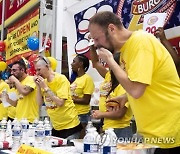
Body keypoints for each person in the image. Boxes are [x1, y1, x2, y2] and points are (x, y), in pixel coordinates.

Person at [88, 11, 180, 152]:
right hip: (152, 132)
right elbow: (144, 83)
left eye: (96, 39)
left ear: (111, 29)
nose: (96, 45)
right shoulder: (126, 50)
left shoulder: (141, 42)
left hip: (168, 129)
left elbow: (136, 90)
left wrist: (110, 61)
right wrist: (124, 97)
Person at [34, 56, 82, 140]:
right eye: (36, 70)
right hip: (56, 126)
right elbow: (39, 103)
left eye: (39, 69)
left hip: (70, 125)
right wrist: (38, 86)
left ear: (47, 66)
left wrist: (46, 88)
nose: (37, 73)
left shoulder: (61, 79)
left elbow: (60, 103)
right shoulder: (43, 82)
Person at [91, 50, 133, 138]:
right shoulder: (109, 76)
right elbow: (95, 62)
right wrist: (92, 44)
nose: (108, 65)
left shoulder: (125, 83)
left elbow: (120, 114)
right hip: (108, 127)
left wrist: (101, 114)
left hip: (120, 130)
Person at [70, 54, 94, 138]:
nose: (71, 64)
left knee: (79, 139)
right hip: (73, 114)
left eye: (74, 62)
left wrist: (70, 99)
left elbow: (86, 100)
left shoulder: (87, 79)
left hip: (82, 115)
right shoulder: (75, 79)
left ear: (80, 63)